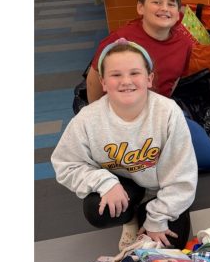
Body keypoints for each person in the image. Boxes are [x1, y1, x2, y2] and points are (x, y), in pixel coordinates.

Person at [52, 39, 197, 249]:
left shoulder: (167, 112)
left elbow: (182, 175)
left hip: (161, 187)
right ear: (103, 82)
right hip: (124, 185)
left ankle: (147, 210)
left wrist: (157, 218)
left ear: (149, 78)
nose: (125, 81)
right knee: (97, 211)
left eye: (134, 73)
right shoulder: (87, 119)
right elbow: (65, 164)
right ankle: (129, 217)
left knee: (169, 247)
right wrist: (105, 183)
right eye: (116, 75)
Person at [85, 0, 210, 172]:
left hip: (159, 113)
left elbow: (173, 82)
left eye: (171, 4)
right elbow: (94, 80)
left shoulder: (184, 44)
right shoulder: (119, 40)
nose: (164, 8)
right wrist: (99, 118)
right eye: (156, 2)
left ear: (177, 13)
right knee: (127, 166)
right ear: (141, 8)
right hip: (122, 115)